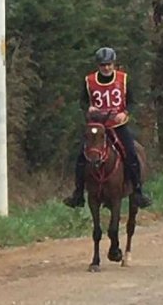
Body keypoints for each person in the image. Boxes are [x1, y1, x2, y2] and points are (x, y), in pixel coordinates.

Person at [63, 47, 152, 209]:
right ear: (98, 65)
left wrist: (125, 113)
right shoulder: (89, 81)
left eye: (109, 64)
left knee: (131, 154)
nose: (106, 68)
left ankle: (138, 191)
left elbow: (132, 101)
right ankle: (78, 193)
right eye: (103, 65)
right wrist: (87, 109)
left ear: (114, 64)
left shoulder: (123, 79)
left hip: (117, 124)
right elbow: (82, 101)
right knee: (81, 157)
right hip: (97, 126)